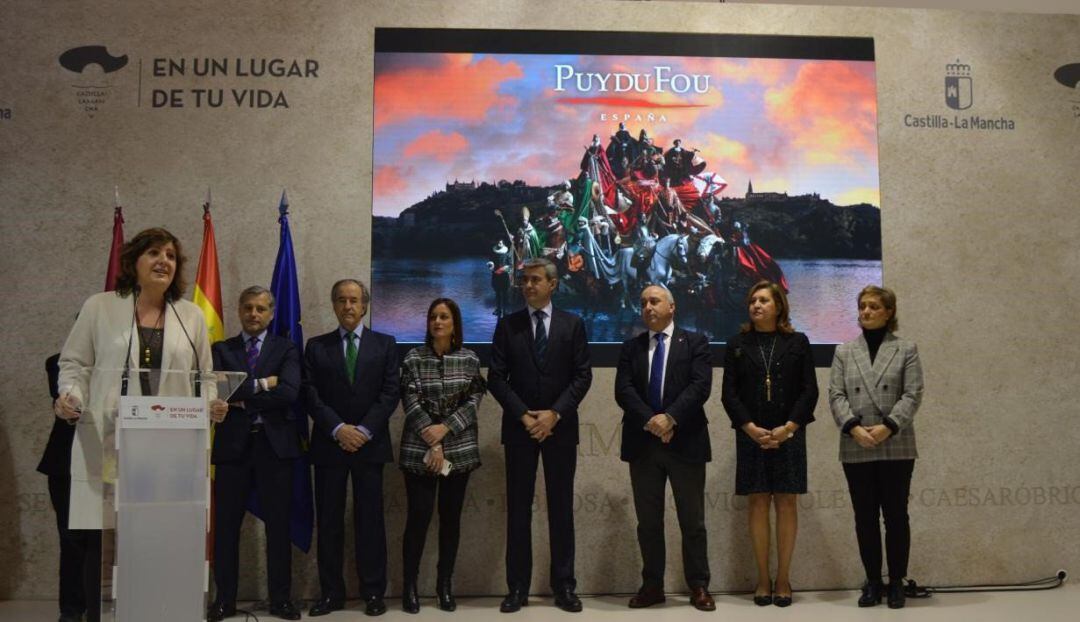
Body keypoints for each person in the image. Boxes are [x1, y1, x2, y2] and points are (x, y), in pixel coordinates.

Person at [55, 227, 220, 622]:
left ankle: (162, 611)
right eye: (153, 253)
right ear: (134, 261)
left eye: (170, 255)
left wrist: (212, 403)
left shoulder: (191, 315)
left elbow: (207, 377)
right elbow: (75, 364)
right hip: (110, 440)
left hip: (170, 450)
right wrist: (71, 396)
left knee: (162, 538)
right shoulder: (100, 306)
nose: (163, 260)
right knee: (105, 538)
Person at [488, 257, 592, 613]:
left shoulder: (573, 324)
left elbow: (582, 376)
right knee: (518, 510)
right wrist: (523, 415)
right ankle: (517, 588)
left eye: (535, 280)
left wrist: (555, 414)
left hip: (560, 430)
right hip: (520, 431)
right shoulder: (507, 325)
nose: (528, 286)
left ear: (553, 284)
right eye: (524, 280)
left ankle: (564, 586)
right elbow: (496, 378)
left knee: (561, 509)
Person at [614, 285, 715, 611]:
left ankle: (698, 586)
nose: (647, 307)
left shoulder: (696, 342)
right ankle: (652, 586)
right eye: (643, 302)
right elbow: (624, 390)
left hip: (685, 442)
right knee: (649, 522)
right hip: (644, 445)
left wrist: (670, 419)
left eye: (654, 301)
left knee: (693, 521)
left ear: (672, 306)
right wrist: (653, 422)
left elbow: (700, 386)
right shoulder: (631, 347)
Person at [304, 279, 399, 617]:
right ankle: (331, 594)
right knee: (329, 522)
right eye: (341, 300)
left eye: (354, 300)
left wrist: (362, 430)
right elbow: (310, 394)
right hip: (330, 446)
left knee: (370, 521)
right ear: (334, 306)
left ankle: (373, 592)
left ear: (365, 306)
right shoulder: (316, 346)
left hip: (370, 446)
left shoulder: (386, 345)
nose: (348, 306)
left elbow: (390, 393)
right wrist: (338, 429)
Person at [207, 286, 302, 622]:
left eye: (261, 308)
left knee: (278, 527)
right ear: (238, 310)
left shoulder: (286, 348)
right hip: (233, 449)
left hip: (274, 449)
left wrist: (240, 395)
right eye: (248, 307)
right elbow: (219, 389)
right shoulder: (221, 349)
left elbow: (290, 392)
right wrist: (264, 384)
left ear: (272, 313)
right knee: (226, 529)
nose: (254, 314)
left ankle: (281, 600)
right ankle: (225, 601)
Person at [721, 280, 818, 608]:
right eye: (752, 300)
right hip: (752, 436)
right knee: (758, 502)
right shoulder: (737, 343)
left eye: (763, 300)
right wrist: (750, 428)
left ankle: (784, 578)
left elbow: (809, 391)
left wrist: (788, 428)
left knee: (787, 503)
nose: (756, 305)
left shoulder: (798, 342)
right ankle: (763, 578)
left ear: (778, 306)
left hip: (789, 434)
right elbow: (729, 394)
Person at [828, 285, 923, 609]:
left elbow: (913, 394)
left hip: (895, 443)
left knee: (896, 516)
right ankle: (872, 582)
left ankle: (896, 581)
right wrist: (854, 428)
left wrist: (888, 427)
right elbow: (836, 396)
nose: (865, 312)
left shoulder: (906, 349)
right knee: (864, 517)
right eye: (862, 306)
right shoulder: (843, 351)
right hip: (856, 443)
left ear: (889, 312)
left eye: (873, 307)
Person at [398, 298, 486, 613]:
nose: (437, 322)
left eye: (444, 317)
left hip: (458, 452)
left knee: (450, 521)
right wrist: (432, 440)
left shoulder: (469, 359)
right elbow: (409, 400)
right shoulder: (413, 358)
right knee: (418, 520)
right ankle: (409, 586)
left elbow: (475, 399)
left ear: (454, 323)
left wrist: (446, 430)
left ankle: (444, 586)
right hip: (419, 452)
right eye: (433, 317)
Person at [39, 353, 88, 622]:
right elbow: (68, 395)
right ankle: (71, 611)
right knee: (72, 540)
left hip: (116, 463)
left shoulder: (132, 364)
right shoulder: (59, 363)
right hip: (67, 464)